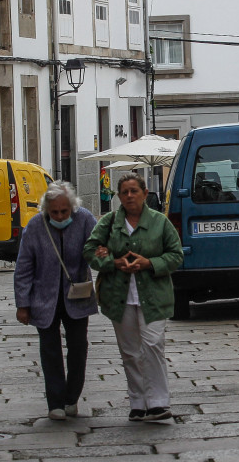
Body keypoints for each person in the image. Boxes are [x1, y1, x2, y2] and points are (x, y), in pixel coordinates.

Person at [85, 172, 183, 422]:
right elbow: (89, 249)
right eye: (125, 192)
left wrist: (149, 262)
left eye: (134, 191)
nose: (129, 196)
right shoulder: (109, 222)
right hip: (119, 295)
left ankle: (159, 403)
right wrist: (111, 261)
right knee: (130, 351)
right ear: (119, 196)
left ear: (145, 194)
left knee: (152, 345)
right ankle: (138, 402)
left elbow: (176, 255)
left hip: (154, 296)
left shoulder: (160, 222)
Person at [13, 181, 98, 421]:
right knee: (50, 351)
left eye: (64, 211)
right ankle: (55, 402)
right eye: (54, 212)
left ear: (72, 207)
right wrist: (23, 304)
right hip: (44, 298)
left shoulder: (85, 220)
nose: (60, 216)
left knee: (79, 348)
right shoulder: (36, 226)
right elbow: (24, 267)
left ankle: (72, 397)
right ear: (46, 210)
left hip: (77, 295)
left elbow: (97, 250)